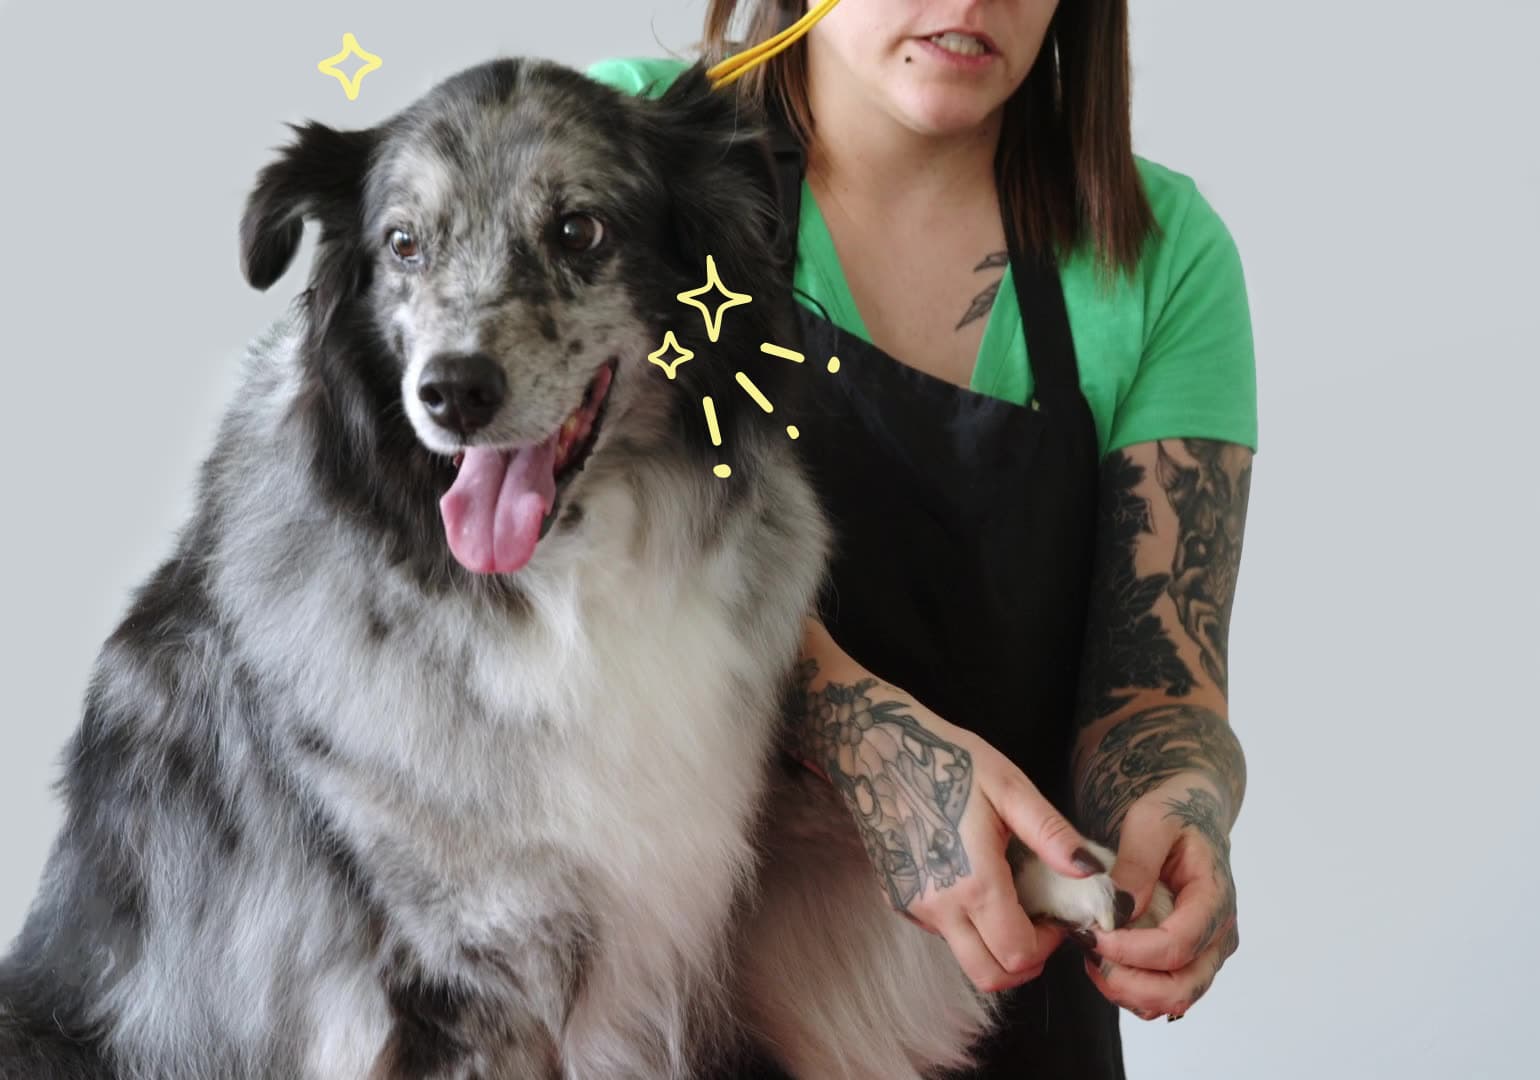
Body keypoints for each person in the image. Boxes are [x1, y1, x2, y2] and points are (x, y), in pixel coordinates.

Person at [588, 0, 1255, 1075]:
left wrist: (1180, 810)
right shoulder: (626, 149)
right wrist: (862, 737)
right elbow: (570, 548)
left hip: (1000, 1009)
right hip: (661, 1010)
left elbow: (1157, 687)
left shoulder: (1159, 249)